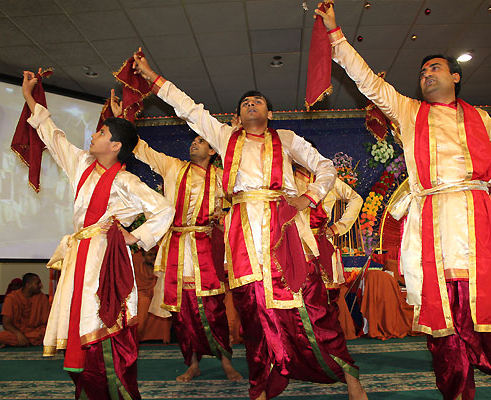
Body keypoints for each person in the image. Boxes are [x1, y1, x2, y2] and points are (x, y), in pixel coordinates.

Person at [315, 4, 491, 400]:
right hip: (434, 225)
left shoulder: (480, 117)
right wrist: (336, 34)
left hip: (482, 219)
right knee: (446, 320)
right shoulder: (409, 111)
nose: (426, 74)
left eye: (435, 68)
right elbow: (367, 81)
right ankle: (458, 392)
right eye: (422, 71)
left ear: (455, 77)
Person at [132, 50, 368, 400]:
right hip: (242, 236)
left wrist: (309, 197)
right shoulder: (225, 138)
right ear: (238, 116)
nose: (251, 104)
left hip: (285, 231)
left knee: (311, 306)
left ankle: (349, 376)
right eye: (245, 103)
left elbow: (326, 167)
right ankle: (262, 385)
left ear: (269, 113)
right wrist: (153, 77)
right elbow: (189, 109)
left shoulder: (286, 139)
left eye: (257, 101)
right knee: (254, 313)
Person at [20, 69, 174, 400]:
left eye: (102, 132)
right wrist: (30, 98)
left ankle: (111, 389)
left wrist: (134, 237)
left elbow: (164, 210)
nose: (94, 134)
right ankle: (88, 390)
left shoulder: (127, 181)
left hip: (106, 259)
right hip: (79, 257)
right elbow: (53, 136)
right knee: (78, 324)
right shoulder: (81, 164)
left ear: (115, 146)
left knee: (102, 326)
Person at [110, 92, 242, 383]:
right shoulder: (173, 167)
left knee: (214, 310)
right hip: (176, 249)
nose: (194, 143)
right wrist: (121, 121)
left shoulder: (222, 177)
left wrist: (234, 137)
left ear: (213, 151)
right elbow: (141, 149)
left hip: (207, 250)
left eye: (201, 141)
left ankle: (226, 362)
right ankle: (192, 364)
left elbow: (238, 197)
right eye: (194, 140)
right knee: (182, 314)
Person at [294, 159, 363, 337]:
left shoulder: (327, 180)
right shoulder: (286, 179)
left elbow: (356, 199)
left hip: (320, 243)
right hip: (294, 244)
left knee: (326, 296)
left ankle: (327, 339)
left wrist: (338, 228)